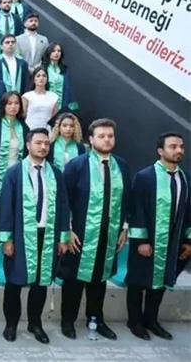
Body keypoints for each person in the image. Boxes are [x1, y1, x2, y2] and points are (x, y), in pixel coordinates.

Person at [59, 118, 130, 340]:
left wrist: (124, 227)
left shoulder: (121, 166)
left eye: (110, 136)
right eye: (101, 136)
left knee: (100, 280)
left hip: (109, 233)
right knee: (74, 280)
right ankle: (68, 321)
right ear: (91, 139)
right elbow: (63, 199)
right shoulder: (77, 165)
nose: (106, 140)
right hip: (80, 234)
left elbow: (126, 199)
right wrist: (67, 229)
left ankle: (96, 319)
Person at [0, 128, 70, 343]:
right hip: (21, 235)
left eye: (46, 143)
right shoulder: (14, 173)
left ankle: (35, 324)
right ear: (28, 145)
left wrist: (63, 237)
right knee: (14, 282)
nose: (43, 147)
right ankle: (11, 324)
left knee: (41, 282)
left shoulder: (56, 173)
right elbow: (6, 207)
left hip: (47, 235)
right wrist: (7, 238)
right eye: (38, 143)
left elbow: (63, 206)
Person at [125, 133, 190, 341]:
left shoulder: (186, 178)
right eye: (173, 146)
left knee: (161, 281)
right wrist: (142, 241)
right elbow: (136, 210)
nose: (178, 150)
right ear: (160, 151)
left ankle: (151, 320)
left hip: (173, 241)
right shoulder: (145, 177)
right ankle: (134, 321)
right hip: (148, 241)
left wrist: (188, 240)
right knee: (138, 282)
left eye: (181, 146)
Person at [0, 91, 30, 192]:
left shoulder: (24, 127)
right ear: (3, 105)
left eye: (16, 103)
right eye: (9, 103)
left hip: (18, 171)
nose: (13, 106)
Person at [39, 42, 75, 111]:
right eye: (53, 51)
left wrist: (71, 107)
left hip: (62, 104)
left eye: (59, 51)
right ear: (49, 53)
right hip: (45, 104)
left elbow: (69, 88)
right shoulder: (43, 68)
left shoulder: (65, 69)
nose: (56, 53)